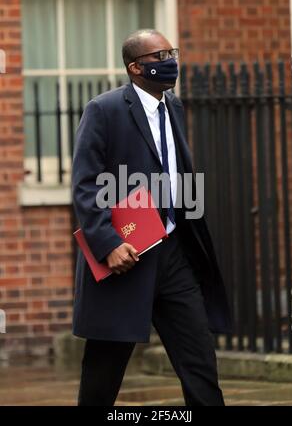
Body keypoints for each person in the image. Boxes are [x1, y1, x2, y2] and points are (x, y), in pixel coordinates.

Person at [71, 29, 231, 406]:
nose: (169, 62)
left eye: (171, 52)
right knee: (104, 371)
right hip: (127, 255)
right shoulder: (104, 110)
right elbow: (85, 183)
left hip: (174, 253)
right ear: (135, 67)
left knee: (200, 362)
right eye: (159, 56)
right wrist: (108, 243)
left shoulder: (172, 105)